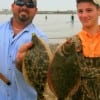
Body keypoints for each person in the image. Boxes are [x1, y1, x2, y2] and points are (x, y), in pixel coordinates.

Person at [47, 0, 100, 100]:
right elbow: (54, 72)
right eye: (80, 11)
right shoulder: (69, 45)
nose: (84, 15)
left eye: (89, 10)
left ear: (99, 11)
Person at [0, 0, 48, 100]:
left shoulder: (41, 38)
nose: (24, 7)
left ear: (35, 10)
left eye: (30, 4)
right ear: (13, 6)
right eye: (20, 2)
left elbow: (42, 73)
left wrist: (20, 65)